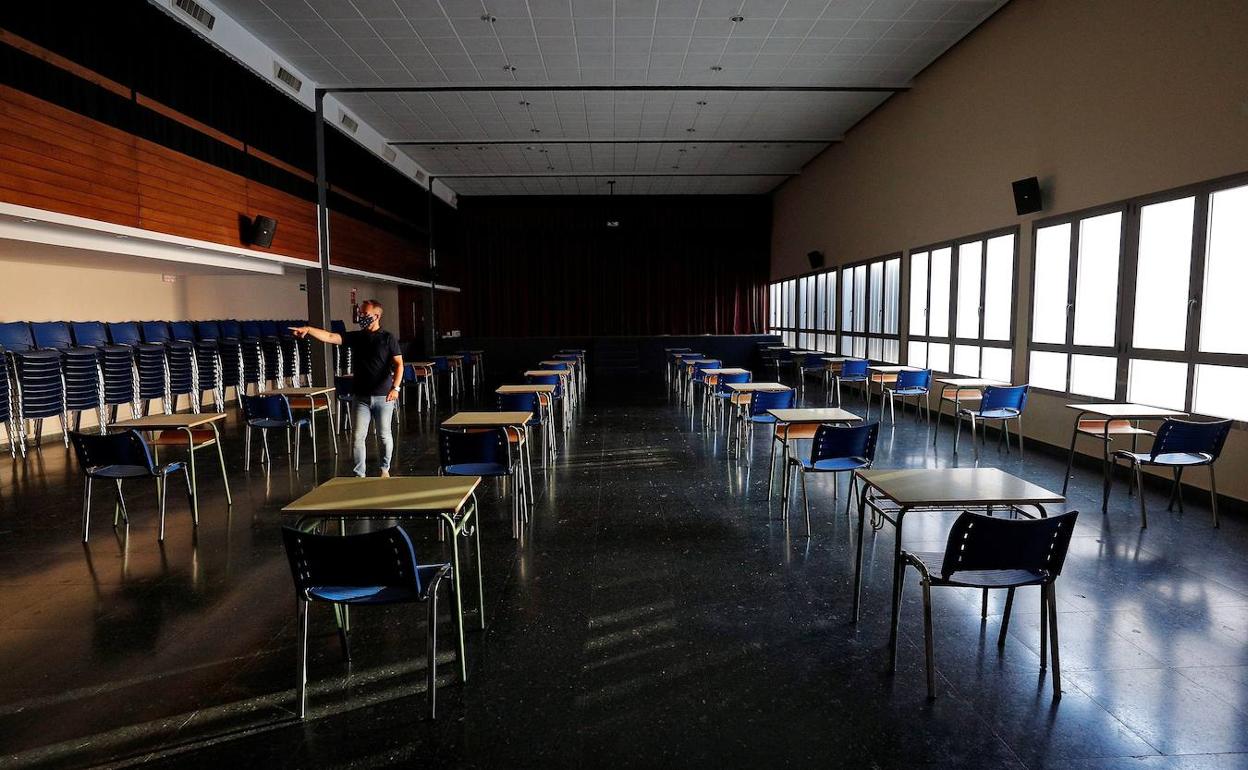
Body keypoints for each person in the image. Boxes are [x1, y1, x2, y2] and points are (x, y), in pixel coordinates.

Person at [290, 300, 402, 477]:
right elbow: (330, 337)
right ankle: (359, 475)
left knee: (384, 436)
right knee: (358, 438)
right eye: (362, 314)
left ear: (377, 316)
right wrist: (308, 329)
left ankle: (384, 469)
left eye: (365, 314)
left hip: (384, 396)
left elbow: (399, 365)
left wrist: (396, 388)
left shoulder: (388, 338)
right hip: (361, 397)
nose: (361, 317)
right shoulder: (357, 337)